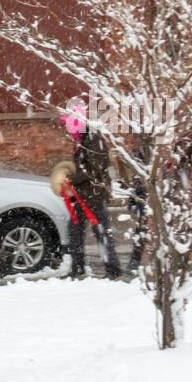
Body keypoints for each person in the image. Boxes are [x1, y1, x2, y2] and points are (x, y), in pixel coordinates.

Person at [66, 117, 122, 279]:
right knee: (76, 231)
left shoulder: (93, 140)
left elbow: (94, 171)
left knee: (101, 232)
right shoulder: (82, 140)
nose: (68, 131)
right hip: (83, 195)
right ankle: (78, 268)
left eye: (70, 127)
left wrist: (73, 178)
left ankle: (113, 270)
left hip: (94, 195)